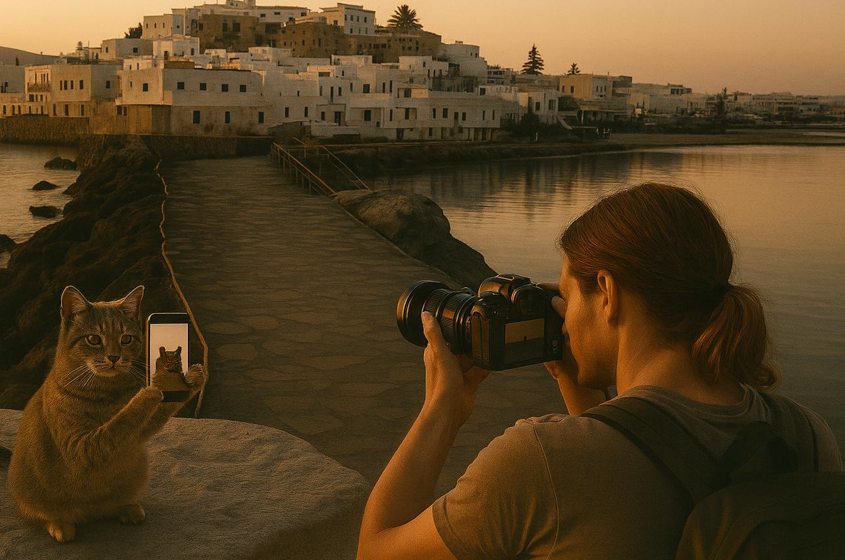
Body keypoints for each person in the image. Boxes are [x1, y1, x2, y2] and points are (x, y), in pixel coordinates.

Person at [356, 182, 842, 560]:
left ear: (606, 293)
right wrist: (575, 380)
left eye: (569, 294)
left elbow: (374, 552)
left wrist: (442, 409)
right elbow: (642, 462)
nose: (562, 314)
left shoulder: (541, 461)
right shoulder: (806, 433)